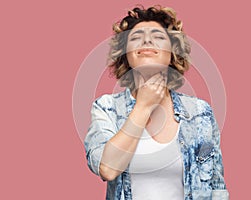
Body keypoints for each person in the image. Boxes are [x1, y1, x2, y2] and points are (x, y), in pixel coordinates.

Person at [84, 5, 229, 200]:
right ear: (125, 55)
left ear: (172, 53)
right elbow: (108, 169)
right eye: (136, 38)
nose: (146, 40)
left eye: (158, 37)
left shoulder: (200, 112)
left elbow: (216, 186)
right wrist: (143, 106)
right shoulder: (106, 108)